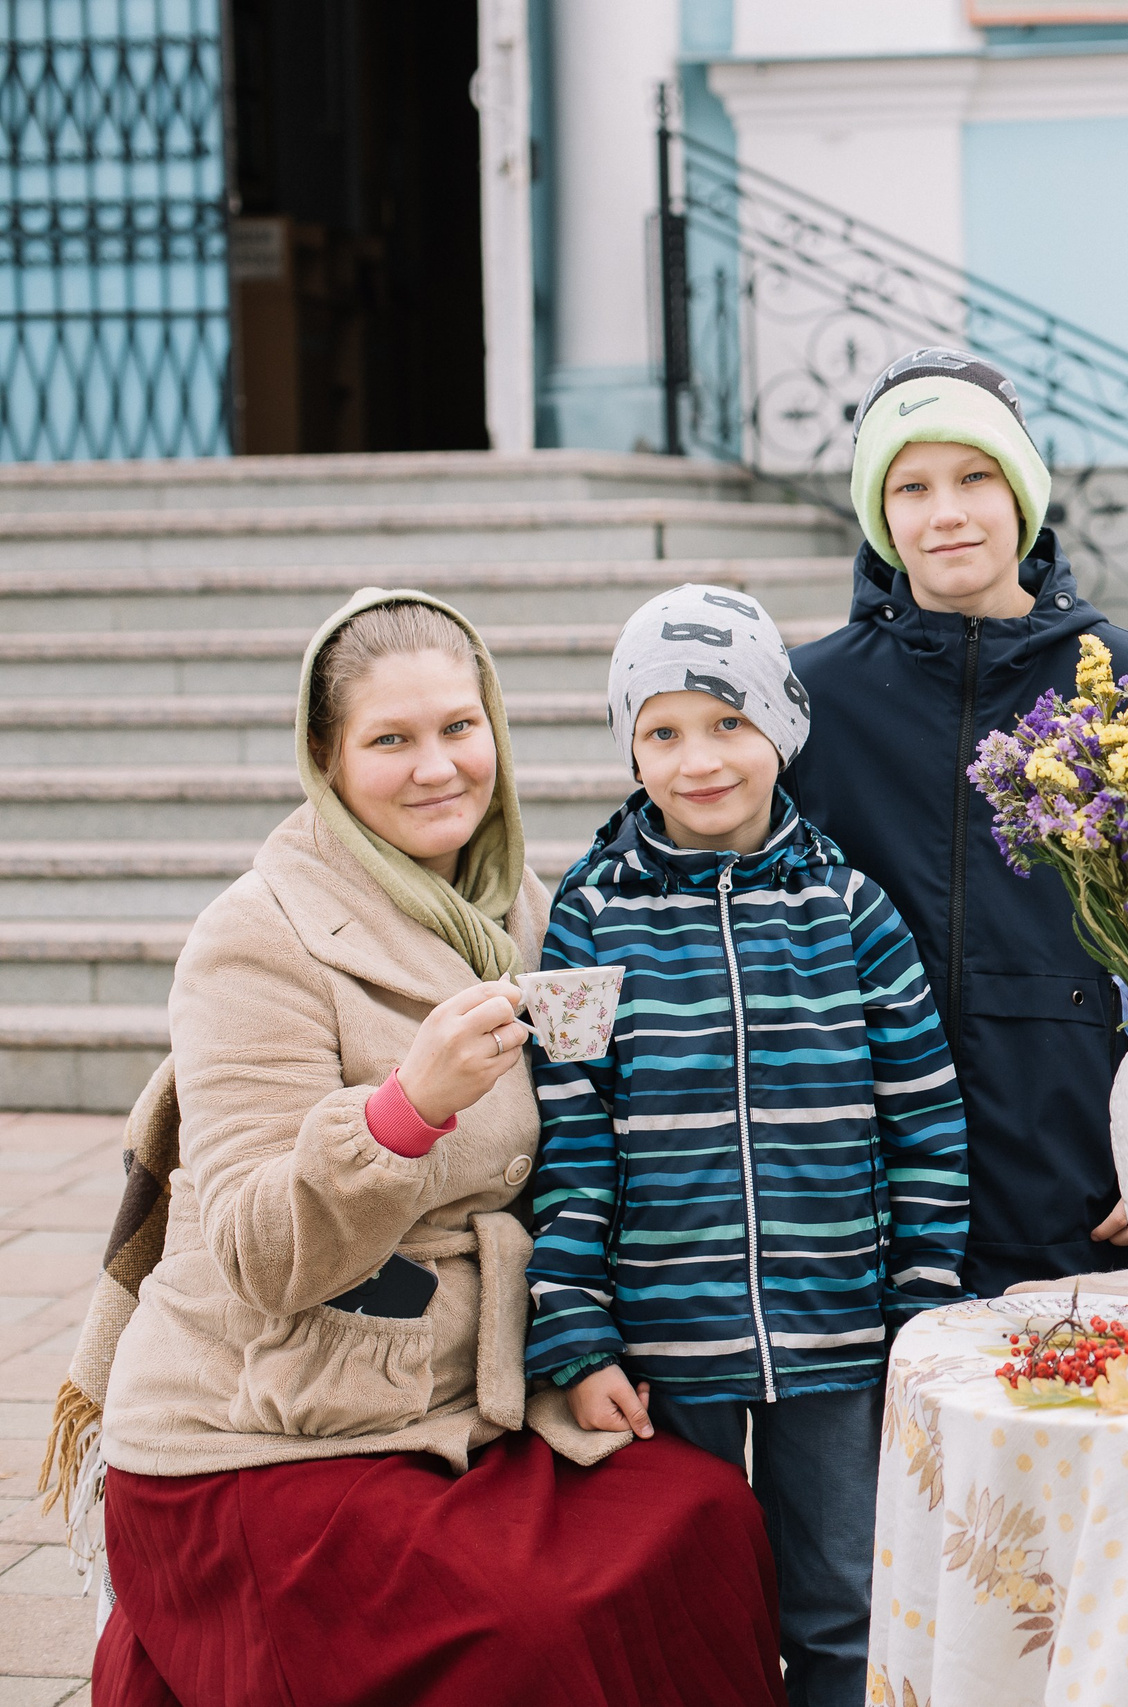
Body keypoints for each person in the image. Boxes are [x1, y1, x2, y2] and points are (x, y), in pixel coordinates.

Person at [88, 590, 785, 1706]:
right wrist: (404, 1109)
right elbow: (259, 1253)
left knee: (707, 1516)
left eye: (460, 729)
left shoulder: (517, 905)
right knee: (530, 1630)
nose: (437, 768)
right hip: (266, 1426)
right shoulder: (254, 939)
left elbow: (581, 1152)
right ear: (326, 756)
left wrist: (588, 1341)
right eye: (390, 740)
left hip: (468, 1393)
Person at [524, 585, 967, 1705]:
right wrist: (575, 1333)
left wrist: (917, 1306)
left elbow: (921, 1117)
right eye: (662, 732)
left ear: (781, 729)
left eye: (728, 723)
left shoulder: (851, 910)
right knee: (690, 1597)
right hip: (667, 1348)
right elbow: (566, 1136)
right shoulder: (587, 917)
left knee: (841, 1603)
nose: (698, 760)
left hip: (838, 1337)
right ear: (630, 747)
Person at [786, 348, 1128, 1296]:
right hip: (868, 1198)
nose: (945, 511)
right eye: (910, 486)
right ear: (880, 513)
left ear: (1022, 491)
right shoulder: (811, 700)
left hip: (1083, 1187)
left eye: (975, 476)